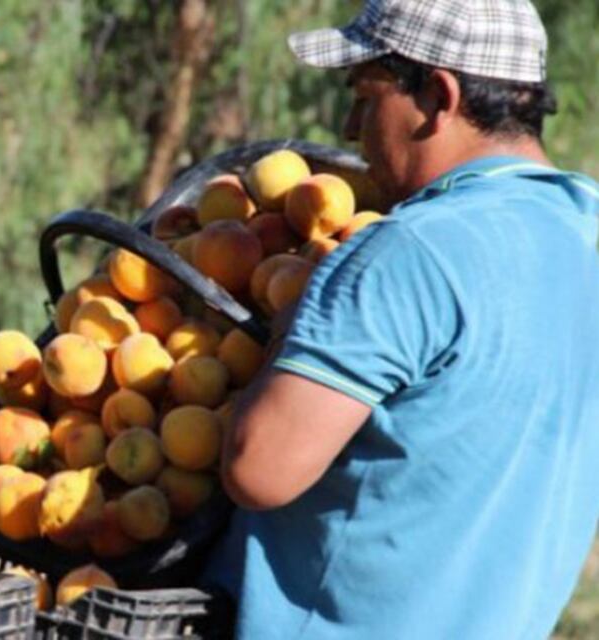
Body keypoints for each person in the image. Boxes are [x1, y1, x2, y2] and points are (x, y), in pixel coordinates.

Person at [207, 1, 599, 638]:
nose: (352, 123)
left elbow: (259, 469)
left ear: (439, 97)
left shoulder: (410, 251)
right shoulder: (584, 235)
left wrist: (288, 331)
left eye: (366, 96)